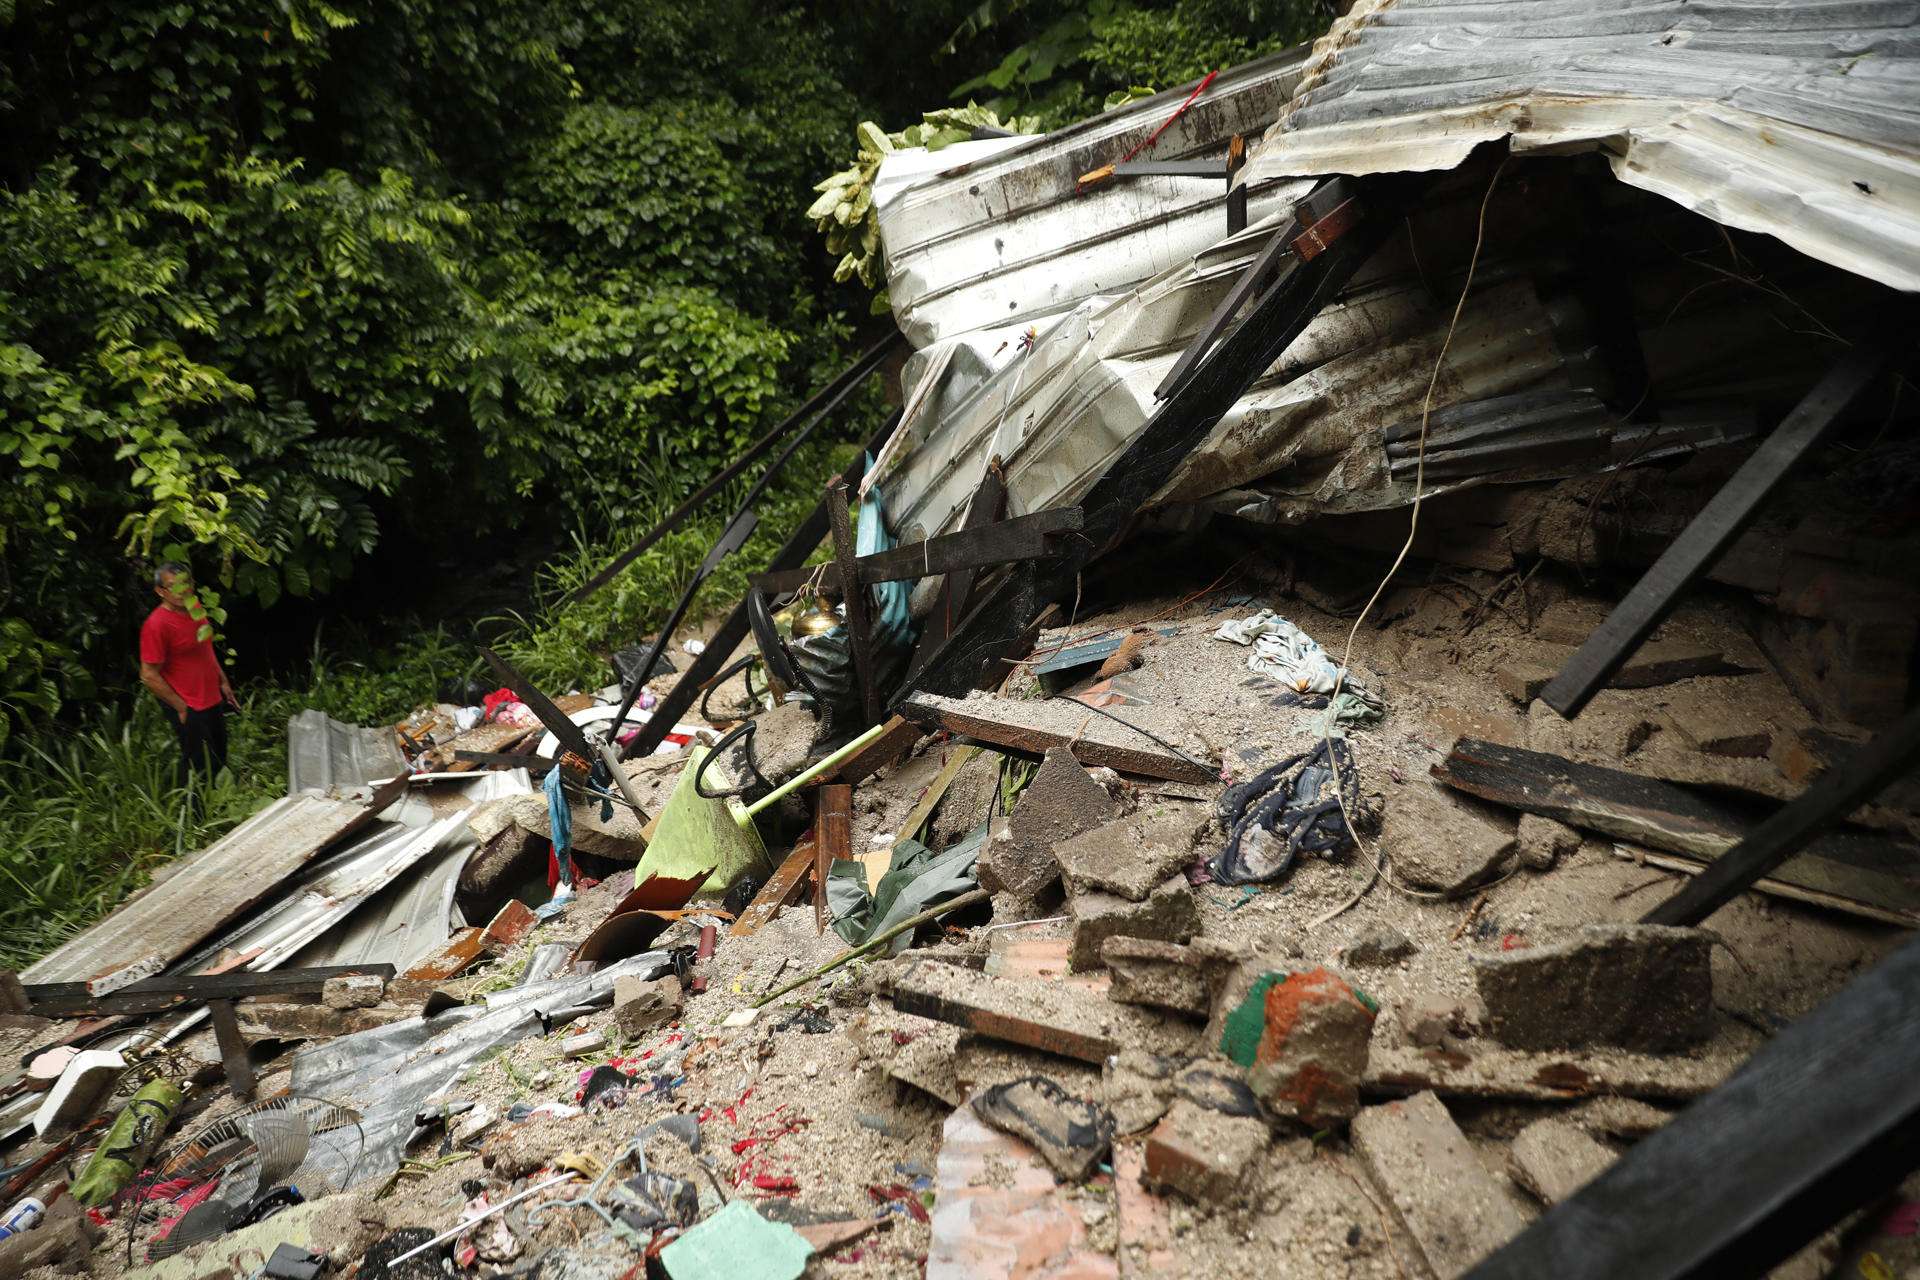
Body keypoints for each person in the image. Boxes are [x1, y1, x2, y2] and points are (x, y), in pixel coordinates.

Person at [138, 562, 237, 780]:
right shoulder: (156, 625)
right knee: (200, 763)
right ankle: (192, 811)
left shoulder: (196, 609)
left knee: (219, 755)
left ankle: (219, 807)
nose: (181, 590)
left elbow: (206, 650)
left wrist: (223, 682)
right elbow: (148, 675)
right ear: (160, 591)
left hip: (210, 696)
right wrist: (181, 707)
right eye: (173, 586)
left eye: (186, 583)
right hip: (187, 702)